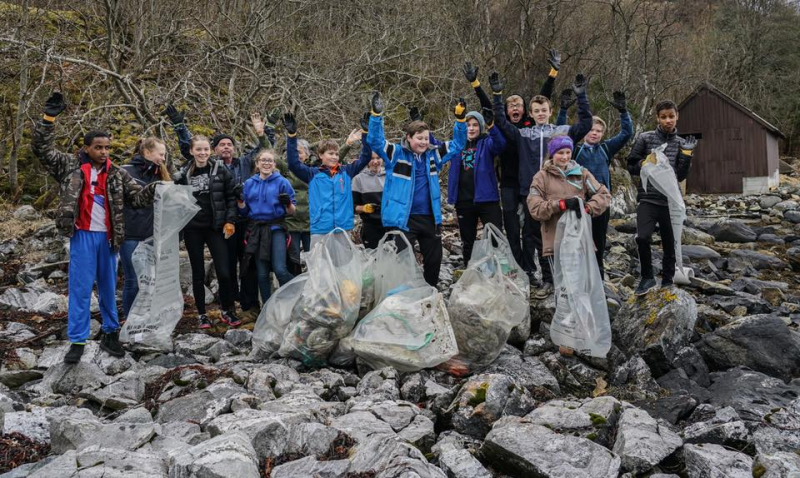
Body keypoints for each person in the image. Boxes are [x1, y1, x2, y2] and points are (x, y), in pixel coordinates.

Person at [32, 92, 159, 364]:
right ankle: (77, 340)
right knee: (80, 288)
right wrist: (48, 119)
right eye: (99, 147)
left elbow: (137, 198)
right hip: (82, 236)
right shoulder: (70, 166)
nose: (104, 152)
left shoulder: (117, 174)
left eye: (107, 148)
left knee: (108, 286)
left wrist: (157, 189)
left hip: (110, 239)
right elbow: (41, 149)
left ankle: (111, 332)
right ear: (87, 147)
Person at [491, 71, 593, 298]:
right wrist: (498, 96)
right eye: (536, 111)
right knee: (532, 235)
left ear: (550, 112)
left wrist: (582, 95)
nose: (540, 114)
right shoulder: (522, 134)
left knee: (558, 235)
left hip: (557, 190)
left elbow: (586, 123)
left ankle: (560, 277)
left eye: (543, 110)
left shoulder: (561, 131)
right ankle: (536, 275)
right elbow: (499, 121)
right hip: (532, 192)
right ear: (532, 113)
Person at [165, 104, 272, 316]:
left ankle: (247, 304)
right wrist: (180, 126)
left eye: (229, 144)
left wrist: (263, 132)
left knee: (247, 264)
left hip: (241, 220)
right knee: (227, 265)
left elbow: (265, 151)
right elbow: (191, 147)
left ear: (234, 148)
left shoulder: (243, 163)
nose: (226, 147)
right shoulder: (198, 168)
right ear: (215, 149)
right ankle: (226, 303)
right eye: (221, 144)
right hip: (216, 224)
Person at [462, 52, 560, 273]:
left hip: (530, 184)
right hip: (508, 183)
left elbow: (542, 99)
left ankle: (531, 269)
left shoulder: (529, 125)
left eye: (519, 106)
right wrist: (475, 84)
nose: (515, 109)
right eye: (511, 106)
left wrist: (553, 74)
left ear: (525, 111)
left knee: (530, 231)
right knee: (513, 229)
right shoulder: (503, 125)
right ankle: (518, 268)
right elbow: (487, 105)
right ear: (506, 111)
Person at [366, 93, 467, 287]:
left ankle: (430, 293)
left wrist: (460, 120)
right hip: (404, 219)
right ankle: (403, 296)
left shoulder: (433, 155)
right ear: (409, 138)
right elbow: (375, 141)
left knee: (434, 260)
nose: (423, 142)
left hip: (430, 218)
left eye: (426, 138)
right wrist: (376, 116)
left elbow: (458, 144)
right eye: (419, 138)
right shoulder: (396, 154)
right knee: (402, 262)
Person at [556, 91, 633, 279]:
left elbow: (626, 133)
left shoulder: (607, 148)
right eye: (591, 129)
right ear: (584, 131)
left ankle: (598, 275)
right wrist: (563, 110)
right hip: (578, 203)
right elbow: (559, 133)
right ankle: (577, 274)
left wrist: (624, 112)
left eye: (598, 130)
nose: (594, 133)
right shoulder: (574, 149)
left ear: (603, 134)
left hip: (600, 203)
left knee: (599, 240)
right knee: (577, 241)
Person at [627, 100, 696, 295]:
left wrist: (688, 154)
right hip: (648, 199)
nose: (668, 120)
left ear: (677, 116)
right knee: (642, 237)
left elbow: (680, 176)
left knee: (670, 245)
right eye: (664, 117)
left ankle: (667, 281)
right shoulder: (645, 138)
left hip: (670, 202)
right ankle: (647, 277)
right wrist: (644, 163)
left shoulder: (683, 143)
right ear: (657, 118)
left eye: (671, 116)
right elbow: (630, 165)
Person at [173, 135, 241, 329]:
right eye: (198, 150)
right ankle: (202, 314)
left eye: (205, 149)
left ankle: (227, 309)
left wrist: (230, 220)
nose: (202, 153)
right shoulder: (183, 173)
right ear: (191, 151)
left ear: (210, 151)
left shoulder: (220, 169)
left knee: (224, 271)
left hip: (215, 227)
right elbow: (174, 201)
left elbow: (230, 196)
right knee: (198, 272)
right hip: (193, 228)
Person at [283, 111, 373, 250]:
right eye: (330, 153)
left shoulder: (347, 172)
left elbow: (366, 157)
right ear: (320, 155)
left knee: (342, 270)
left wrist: (366, 133)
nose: (335, 157)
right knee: (321, 270)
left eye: (337, 154)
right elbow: (293, 163)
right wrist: (292, 136)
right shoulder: (312, 174)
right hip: (321, 229)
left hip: (343, 229)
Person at [120, 137, 172, 321]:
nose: (163, 158)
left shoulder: (161, 174)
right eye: (160, 154)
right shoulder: (125, 172)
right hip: (130, 235)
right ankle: (129, 320)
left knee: (151, 280)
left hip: (153, 236)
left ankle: (148, 318)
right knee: (133, 280)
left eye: (164, 154)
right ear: (147, 152)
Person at [447, 104, 506, 268]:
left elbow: (501, 144)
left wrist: (492, 126)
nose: (471, 128)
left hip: (487, 199)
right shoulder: (456, 145)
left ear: (480, 127)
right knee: (467, 240)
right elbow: (433, 145)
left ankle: (499, 270)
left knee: (496, 236)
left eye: (474, 125)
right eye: (467, 125)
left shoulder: (487, 142)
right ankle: (470, 270)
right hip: (463, 200)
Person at [237, 149, 296, 303]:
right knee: (262, 274)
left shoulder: (282, 182)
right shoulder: (249, 183)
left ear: (274, 164)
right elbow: (244, 212)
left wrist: (288, 203)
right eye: (263, 160)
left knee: (280, 270)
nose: (266, 163)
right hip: (257, 230)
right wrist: (240, 201)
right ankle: (267, 308)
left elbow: (292, 211)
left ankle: (298, 295)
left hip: (276, 228)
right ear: (257, 163)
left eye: (270, 160)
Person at [352, 150, 386, 249]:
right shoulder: (358, 179)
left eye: (378, 158)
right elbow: (352, 206)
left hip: (389, 225)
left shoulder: (390, 176)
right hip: (370, 226)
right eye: (371, 158)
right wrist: (363, 208)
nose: (375, 161)